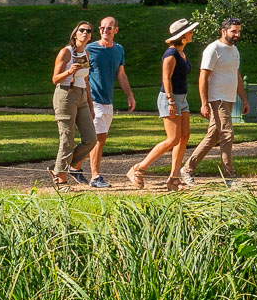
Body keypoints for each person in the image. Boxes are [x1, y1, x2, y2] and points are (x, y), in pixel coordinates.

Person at [128, 20, 195, 190]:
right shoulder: (171, 54)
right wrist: (171, 101)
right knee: (172, 138)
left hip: (182, 98)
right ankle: (138, 168)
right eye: (190, 31)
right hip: (169, 98)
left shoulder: (181, 52)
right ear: (182, 35)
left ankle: (174, 178)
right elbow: (166, 78)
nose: (192, 33)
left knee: (184, 137)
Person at [185, 18, 248, 185]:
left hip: (229, 99)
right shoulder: (213, 49)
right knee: (227, 134)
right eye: (234, 31)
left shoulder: (234, 50)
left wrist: (244, 99)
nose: (237, 34)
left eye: (239, 31)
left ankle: (187, 169)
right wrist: (204, 103)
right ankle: (230, 176)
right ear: (223, 31)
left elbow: (237, 75)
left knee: (213, 136)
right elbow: (203, 77)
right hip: (217, 99)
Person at [83, 16, 136, 188]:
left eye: (109, 28)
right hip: (93, 99)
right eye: (103, 28)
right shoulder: (89, 48)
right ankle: (95, 176)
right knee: (98, 138)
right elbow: (81, 73)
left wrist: (129, 94)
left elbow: (121, 74)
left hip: (108, 100)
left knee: (101, 138)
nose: (105, 30)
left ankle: (70, 166)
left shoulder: (118, 50)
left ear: (115, 30)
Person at [50, 22, 98, 187]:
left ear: (91, 36)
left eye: (88, 31)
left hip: (82, 95)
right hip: (66, 94)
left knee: (91, 138)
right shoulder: (66, 52)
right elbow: (55, 79)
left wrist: (91, 106)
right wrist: (69, 71)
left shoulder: (85, 53)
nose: (85, 33)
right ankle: (61, 179)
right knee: (67, 138)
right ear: (75, 33)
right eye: (82, 30)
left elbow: (85, 80)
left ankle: (59, 168)